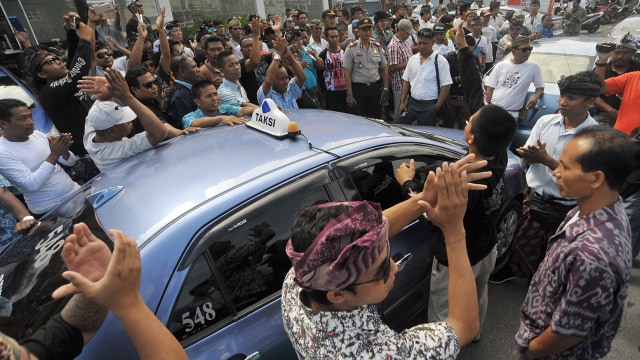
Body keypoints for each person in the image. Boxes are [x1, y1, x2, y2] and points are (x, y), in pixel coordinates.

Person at [282, 158, 485, 358]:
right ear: (337, 295)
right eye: (382, 271)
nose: (394, 268)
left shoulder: (301, 277)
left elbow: (370, 235)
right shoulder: (378, 353)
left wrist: (424, 198)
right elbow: (464, 326)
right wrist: (454, 231)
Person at [396, 105, 516, 341]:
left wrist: (407, 184)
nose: (466, 121)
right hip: (486, 247)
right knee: (478, 295)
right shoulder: (498, 156)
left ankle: (448, 349)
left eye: (469, 121)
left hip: (457, 260)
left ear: (471, 137)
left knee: (444, 317)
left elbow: (432, 218)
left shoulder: (464, 186)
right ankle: (475, 333)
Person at [512, 127, 634, 359]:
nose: (557, 172)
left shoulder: (592, 255)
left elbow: (568, 332)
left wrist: (531, 350)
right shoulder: (596, 209)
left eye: (566, 167)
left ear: (597, 178)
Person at [491, 71, 600, 283]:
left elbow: (584, 180)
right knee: (522, 243)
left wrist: (547, 160)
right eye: (562, 96)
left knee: (556, 258)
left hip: (568, 208)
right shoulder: (545, 122)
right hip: (536, 200)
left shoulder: (595, 136)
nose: (563, 102)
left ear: (589, 101)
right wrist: (528, 155)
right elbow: (526, 155)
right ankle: (516, 270)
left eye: (571, 98)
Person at [20, 11, 96, 157]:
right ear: (42, 74)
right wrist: (85, 39)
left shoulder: (63, 80)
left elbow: (73, 61)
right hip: (88, 152)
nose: (58, 61)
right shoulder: (48, 92)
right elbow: (75, 74)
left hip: (99, 141)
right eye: (50, 62)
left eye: (57, 58)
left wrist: (71, 31)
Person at [84, 68, 181, 172]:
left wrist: (108, 91)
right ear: (111, 131)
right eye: (125, 121)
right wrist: (127, 97)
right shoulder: (115, 151)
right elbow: (160, 132)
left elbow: (97, 111)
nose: (130, 122)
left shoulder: (91, 133)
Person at [0, 99, 81, 217]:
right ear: (4, 124)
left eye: (30, 116)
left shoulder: (37, 135)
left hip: (76, 192)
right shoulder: (3, 152)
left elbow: (70, 162)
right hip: (51, 208)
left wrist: (64, 153)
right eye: (23, 118)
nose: (30, 122)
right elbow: (30, 184)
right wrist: (53, 156)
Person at [394, 28, 452, 126]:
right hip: (412, 104)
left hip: (429, 106)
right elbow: (406, 81)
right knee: (396, 126)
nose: (421, 46)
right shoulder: (412, 59)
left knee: (426, 134)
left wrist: (436, 107)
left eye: (425, 43)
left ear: (433, 42)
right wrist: (402, 102)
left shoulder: (441, 61)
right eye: (419, 43)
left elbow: (446, 86)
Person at [486, 35, 544, 120]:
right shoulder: (501, 65)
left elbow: (540, 87)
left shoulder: (533, 67)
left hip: (512, 114)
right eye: (524, 50)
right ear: (514, 51)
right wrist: (488, 108)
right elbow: (490, 88)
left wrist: (535, 98)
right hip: (494, 111)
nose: (528, 52)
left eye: (530, 49)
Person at [343, 18, 389, 119]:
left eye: (370, 29)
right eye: (364, 30)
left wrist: (385, 88)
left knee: (375, 118)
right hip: (358, 89)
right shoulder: (351, 48)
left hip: (374, 89)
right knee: (358, 119)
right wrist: (349, 94)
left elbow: (384, 68)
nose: (368, 32)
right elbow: (346, 72)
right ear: (358, 31)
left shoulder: (377, 47)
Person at [592, 34, 640, 128]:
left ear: (633, 53)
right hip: (605, 117)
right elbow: (595, 89)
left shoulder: (637, 69)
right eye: (616, 52)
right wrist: (602, 59)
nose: (620, 56)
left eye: (625, 53)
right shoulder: (632, 77)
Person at [258, 37, 306, 110]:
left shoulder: (290, 89)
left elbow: (302, 78)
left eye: (286, 77)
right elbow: (268, 81)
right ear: (272, 80)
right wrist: (278, 54)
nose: (286, 81)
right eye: (281, 79)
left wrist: (290, 57)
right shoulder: (267, 95)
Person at [183, 80, 252, 128]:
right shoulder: (189, 117)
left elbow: (242, 111)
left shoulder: (224, 108)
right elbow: (194, 123)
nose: (215, 98)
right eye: (209, 96)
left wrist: (260, 110)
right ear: (197, 101)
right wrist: (221, 119)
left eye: (215, 94)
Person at [387, 19, 415, 121]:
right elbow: (392, 67)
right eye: (407, 33)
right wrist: (410, 63)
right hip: (399, 84)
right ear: (401, 30)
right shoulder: (394, 45)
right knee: (400, 113)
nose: (409, 35)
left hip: (409, 83)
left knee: (407, 113)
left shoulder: (405, 42)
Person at [318, 27, 348, 113]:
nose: (335, 39)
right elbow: (320, 74)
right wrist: (324, 90)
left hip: (345, 90)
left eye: (336, 36)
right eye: (332, 37)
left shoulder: (345, 52)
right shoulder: (323, 54)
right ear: (326, 38)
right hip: (331, 91)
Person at [167, 54, 200, 129]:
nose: (198, 70)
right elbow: (187, 125)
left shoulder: (187, 90)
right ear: (182, 72)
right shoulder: (179, 96)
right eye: (194, 67)